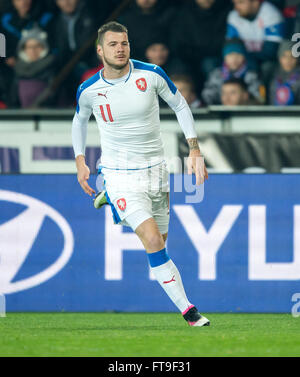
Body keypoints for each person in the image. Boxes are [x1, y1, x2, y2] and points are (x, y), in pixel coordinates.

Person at [72, 21, 210, 327]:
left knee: (160, 240)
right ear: (100, 50)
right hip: (118, 173)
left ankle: (108, 198)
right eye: (113, 44)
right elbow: (79, 121)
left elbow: (181, 105)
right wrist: (80, 159)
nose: (120, 49)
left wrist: (195, 149)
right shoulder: (89, 90)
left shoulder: (151, 74)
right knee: (151, 239)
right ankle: (189, 312)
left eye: (124, 43)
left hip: (156, 172)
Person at [226, 0, 285, 84]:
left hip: (264, 61)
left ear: (255, 2)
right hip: (243, 59)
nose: (236, 7)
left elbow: (271, 52)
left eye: (241, 2)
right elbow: (231, 45)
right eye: (235, 3)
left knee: (267, 66)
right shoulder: (234, 15)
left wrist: (245, 57)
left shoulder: (271, 14)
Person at [202, 38, 265, 105]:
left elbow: (261, 98)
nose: (234, 59)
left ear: (244, 57)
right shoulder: (216, 74)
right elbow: (206, 96)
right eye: (230, 55)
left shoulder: (253, 75)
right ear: (224, 57)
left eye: (238, 55)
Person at [14, 26, 56, 107]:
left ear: (44, 48)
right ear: (24, 49)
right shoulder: (17, 70)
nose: (33, 50)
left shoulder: (52, 69)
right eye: (29, 47)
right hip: (22, 116)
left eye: (37, 46)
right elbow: (13, 99)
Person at [269, 40, 300, 105]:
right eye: (284, 56)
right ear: (279, 58)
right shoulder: (272, 76)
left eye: (292, 56)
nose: (288, 60)